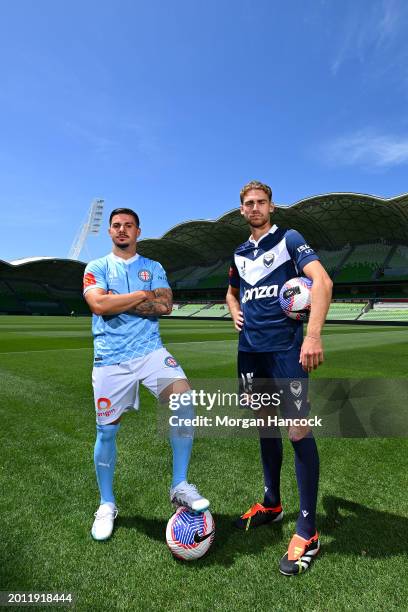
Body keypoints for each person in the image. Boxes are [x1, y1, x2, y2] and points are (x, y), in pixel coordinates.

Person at [226, 181, 332, 575]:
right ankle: (271, 503)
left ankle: (308, 530)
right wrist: (233, 308)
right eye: (248, 204)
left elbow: (322, 282)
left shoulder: (289, 239)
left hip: (286, 351)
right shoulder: (238, 253)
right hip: (249, 353)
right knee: (265, 426)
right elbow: (231, 292)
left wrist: (314, 335)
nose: (254, 208)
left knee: (298, 431)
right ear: (241, 210)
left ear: (271, 206)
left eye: (261, 202)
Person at [83, 207, 209, 541]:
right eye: (116, 226)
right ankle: (107, 503)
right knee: (107, 433)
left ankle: (179, 484)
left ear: (138, 231)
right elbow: (99, 306)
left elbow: (165, 305)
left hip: (150, 351)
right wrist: (143, 295)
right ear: (109, 232)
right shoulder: (95, 267)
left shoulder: (153, 267)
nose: (121, 230)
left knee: (184, 399)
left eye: (128, 225)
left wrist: (120, 299)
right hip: (110, 358)